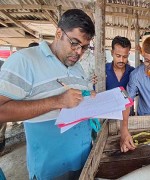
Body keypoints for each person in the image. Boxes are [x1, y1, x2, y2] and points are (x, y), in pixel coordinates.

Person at [0, 9, 95, 179]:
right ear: (59, 33)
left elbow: (76, 100)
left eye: (85, 47)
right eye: (74, 43)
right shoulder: (24, 61)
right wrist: (56, 101)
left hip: (84, 160)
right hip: (51, 169)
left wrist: (88, 96)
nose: (79, 52)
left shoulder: (78, 67)